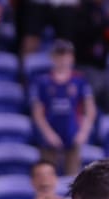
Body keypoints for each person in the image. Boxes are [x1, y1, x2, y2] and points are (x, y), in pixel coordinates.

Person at [30, 39, 96, 175]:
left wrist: (83, 133)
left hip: (72, 136)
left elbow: (90, 110)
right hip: (49, 140)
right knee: (47, 176)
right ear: (53, 57)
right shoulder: (43, 82)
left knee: (72, 180)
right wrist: (48, 134)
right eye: (60, 55)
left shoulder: (80, 81)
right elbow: (37, 112)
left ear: (72, 58)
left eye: (66, 55)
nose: (63, 59)